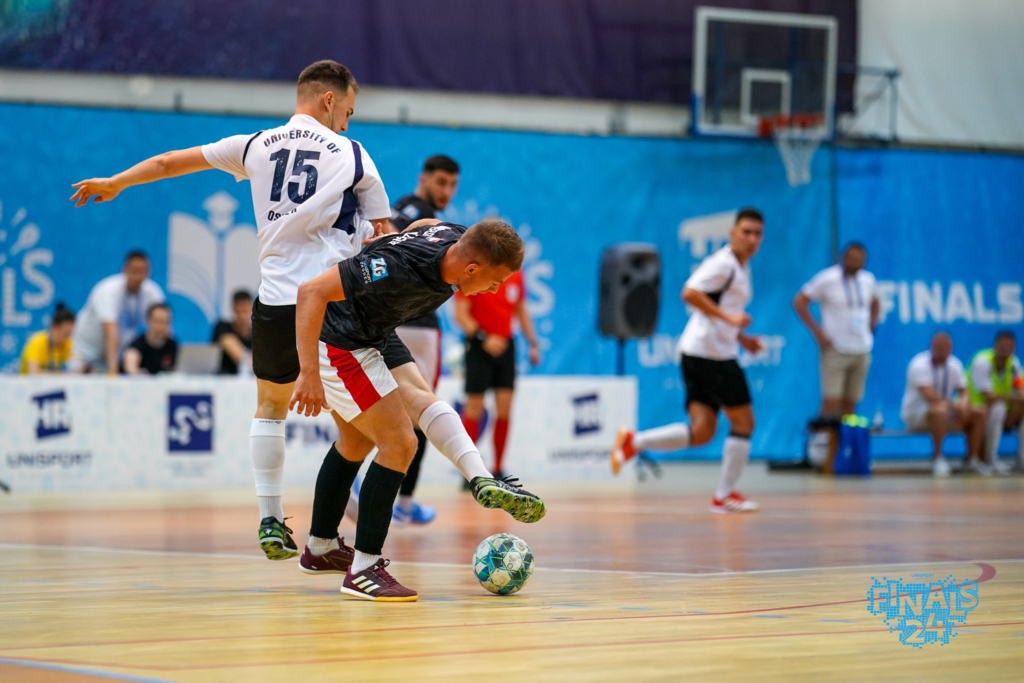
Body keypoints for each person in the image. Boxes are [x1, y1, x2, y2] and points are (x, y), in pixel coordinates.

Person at [71, 60, 392, 561]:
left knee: (270, 409)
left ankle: (270, 518)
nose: (347, 124)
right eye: (347, 111)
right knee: (376, 434)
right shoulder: (353, 154)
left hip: (273, 303)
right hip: (329, 304)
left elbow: (169, 163)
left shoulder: (254, 144)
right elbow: (384, 236)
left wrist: (117, 182)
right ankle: (348, 547)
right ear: (329, 100)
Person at [290, 218, 546, 601]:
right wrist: (308, 371)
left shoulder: (456, 238)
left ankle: (321, 547)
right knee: (400, 444)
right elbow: (311, 291)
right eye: (494, 282)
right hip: (340, 341)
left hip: (376, 332)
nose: (495, 290)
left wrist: (396, 235)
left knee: (370, 435)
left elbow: (427, 224)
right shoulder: (394, 267)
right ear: (471, 269)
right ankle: (363, 570)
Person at [610, 208, 766, 513]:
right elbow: (690, 293)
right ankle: (724, 496)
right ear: (732, 234)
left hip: (699, 352)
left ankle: (634, 442)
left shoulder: (741, 266)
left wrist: (743, 338)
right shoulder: (723, 263)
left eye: (757, 234)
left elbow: (720, 310)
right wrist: (729, 319)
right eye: (746, 232)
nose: (752, 239)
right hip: (711, 355)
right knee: (745, 422)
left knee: (703, 430)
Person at [389, 155, 461, 525]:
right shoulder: (420, 215)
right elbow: (390, 242)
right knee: (421, 413)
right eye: (441, 182)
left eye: (452, 185)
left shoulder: (407, 209)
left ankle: (390, 499)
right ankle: (402, 504)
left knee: (393, 410)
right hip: (418, 325)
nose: (446, 191)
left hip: (396, 321)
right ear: (424, 179)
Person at [454, 267, 540, 480]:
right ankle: (469, 471)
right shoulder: (476, 271)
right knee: (474, 407)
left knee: (504, 408)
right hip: (478, 346)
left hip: (506, 346)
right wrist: (484, 338)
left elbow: (520, 309)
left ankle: (498, 468)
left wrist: (532, 342)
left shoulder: (516, 276)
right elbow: (460, 314)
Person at [793, 243, 880, 417]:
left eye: (859, 260)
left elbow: (876, 302)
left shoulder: (868, 280)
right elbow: (799, 301)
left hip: (861, 348)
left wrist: (872, 324)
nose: (855, 263)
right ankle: (823, 435)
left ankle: (844, 436)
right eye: (851, 258)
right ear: (843, 258)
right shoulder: (827, 278)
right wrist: (818, 333)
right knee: (831, 402)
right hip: (836, 348)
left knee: (851, 403)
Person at [900, 332, 980, 477]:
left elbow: (964, 392)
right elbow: (930, 396)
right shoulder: (919, 364)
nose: (941, 349)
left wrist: (963, 406)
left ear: (951, 348)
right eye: (938, 346)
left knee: (979, 413)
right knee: (939, 410)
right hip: (916, 415)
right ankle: (937, 459)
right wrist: (956, 407)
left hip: (946, 412)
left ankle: (972, 460)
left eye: (945, 346)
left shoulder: (955, 364)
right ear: (931, 346)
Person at [71, 251, 165, 374]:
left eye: (143, 271)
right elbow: (110, 332)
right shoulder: (108, 291)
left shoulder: (152, 293)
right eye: (135, 271)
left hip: (114, 355)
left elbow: (163, 326)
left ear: (149, 272)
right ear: (125, 270)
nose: (138, 276)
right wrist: (113, 371)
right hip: (85, 353)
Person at [964, 330, 1024, 475]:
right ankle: (991, 459)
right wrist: (1015, 399)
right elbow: (989, 397)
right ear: (995, 346)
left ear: (1014, 348)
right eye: (1002, 346)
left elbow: (1019, 389)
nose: (1006, 349)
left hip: (1003, 410)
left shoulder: (1014, 363)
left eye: (1009, 346)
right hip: (976, 409)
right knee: (999, 408)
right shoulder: (982, 362)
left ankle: (1021, 460)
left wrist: (1018, 403)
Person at [121, 303, 178, 375]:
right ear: (148, 321)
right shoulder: (137, 345)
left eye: (165, 322)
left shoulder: (172, 345)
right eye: (157, 321)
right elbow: (130, 367)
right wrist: (137, 372)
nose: (161, 326)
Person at [20, 303, 77, 374]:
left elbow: (77, 370)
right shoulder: (37, 342)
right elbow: (33, 372)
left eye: (71, 334)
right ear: (54, 326)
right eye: (65, 333)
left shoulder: (68, 344)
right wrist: (61, 376)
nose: (68, 337)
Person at [212, 290, 253, 375]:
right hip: (223, 378)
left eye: (246, 311)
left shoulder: (257, 334)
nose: (243, 316)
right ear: (234, 308)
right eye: (239, 311)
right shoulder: (223, 327)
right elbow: (237, 354)